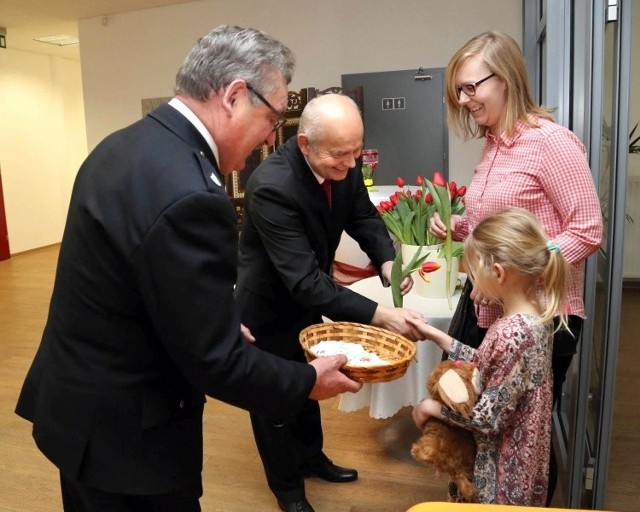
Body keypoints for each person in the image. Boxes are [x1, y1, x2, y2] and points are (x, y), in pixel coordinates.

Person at [14, 25, 363, 512]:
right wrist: (307, 382)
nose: (270, 134)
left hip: (74, 411)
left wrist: (206, 319)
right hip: (130, 441)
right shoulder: (193, 193)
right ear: (235, 95)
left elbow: (127, 286)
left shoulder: (119, 146)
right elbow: (215, 363)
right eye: (272, 116)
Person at [430, 30, 603, 504]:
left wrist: (519, 274)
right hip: (489, 301)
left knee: (522, 442)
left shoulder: (551, 143)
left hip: (539, 316)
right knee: (476, 426)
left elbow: (587, 230)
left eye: (471, 88)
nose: (464, 101)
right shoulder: (493, 145)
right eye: (458, 91)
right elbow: (504, 224)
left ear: (505, 78)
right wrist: (461, 227)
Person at [234, 93, 425, 512]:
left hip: (307, 296)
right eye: (341, 154)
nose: (351, 164)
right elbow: (303, 281)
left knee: (312, 384)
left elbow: (364, 217)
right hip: (267, 308)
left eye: (357, 151)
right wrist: (382, 316)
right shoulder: (271, 186)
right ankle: (288, 491)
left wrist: (387, 261)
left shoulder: (343, 163)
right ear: (305, 144)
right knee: (276, 400)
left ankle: (311, 458)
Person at [410, 207, 571, 505]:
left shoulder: (513, 334)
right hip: (521, 466)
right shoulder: (531, 317)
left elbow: (488, 419)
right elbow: (490, 364)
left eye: (473, 273)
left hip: (499, 480)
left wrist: (432, 408)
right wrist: (435, 335)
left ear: (497, 273)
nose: (473, 282)